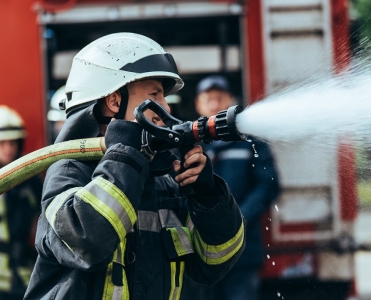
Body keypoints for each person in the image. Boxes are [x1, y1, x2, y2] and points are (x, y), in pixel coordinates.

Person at [25, 33, 245, 300]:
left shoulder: (164, 182)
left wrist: (208, 199)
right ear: (114, 101)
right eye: (155, 95)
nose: (165, 107)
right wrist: (127, 153)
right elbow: (87, 242)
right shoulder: (70, 171)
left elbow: (214, 262)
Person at [181, 75, 280, 300]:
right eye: (208, 99)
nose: (214, 104)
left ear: (231, 102)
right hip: (199, 253)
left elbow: (268, 186)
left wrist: (238, 219)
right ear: (198, 104)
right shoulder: (188, 144)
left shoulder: (251, 143)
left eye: (220, 98)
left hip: (243, 253)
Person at [0, 106, 42, 300]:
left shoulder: (30, 181)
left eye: (12, 142)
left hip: (27, 274)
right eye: (2, 143)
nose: (8, 149)